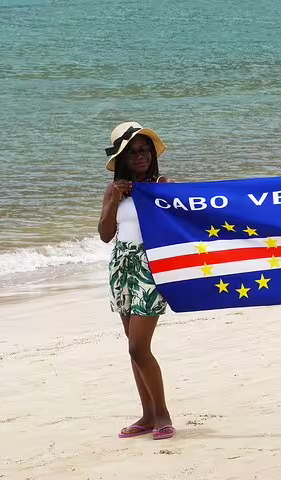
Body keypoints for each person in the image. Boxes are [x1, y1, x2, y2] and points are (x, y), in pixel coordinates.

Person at [98, 121, 176, 441]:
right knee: (133, 350)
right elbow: (105, 235)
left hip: (150, 267)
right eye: (132, 153)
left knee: (138, 346)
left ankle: (163, 415)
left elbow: (182, 222)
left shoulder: (163, 183)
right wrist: (116, 198)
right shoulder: (113, 190)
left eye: (144, 150)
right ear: (122, 159)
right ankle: (146, 416)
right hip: (122, 266)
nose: (140, 156)